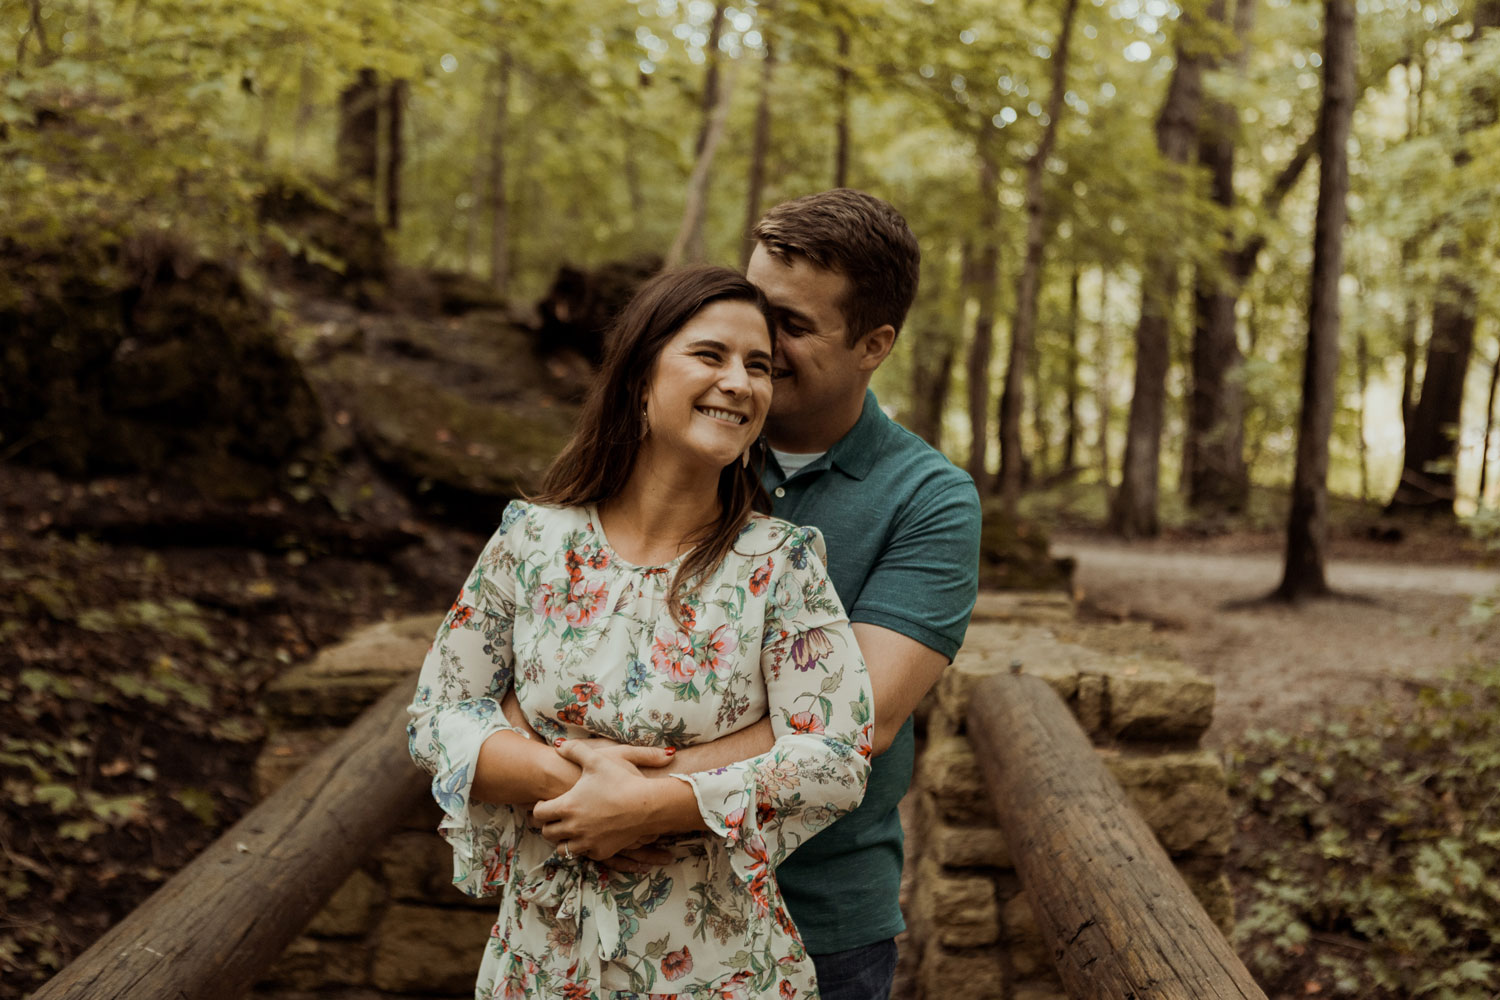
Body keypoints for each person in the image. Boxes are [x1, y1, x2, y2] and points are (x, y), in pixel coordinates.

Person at [505, 190, 983, 1000]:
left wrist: (646, 796)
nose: (757, 338)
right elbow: (525, 657)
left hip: (812, 917)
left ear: (874, 344)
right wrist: (576, 782)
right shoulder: (675, 444)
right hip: (604, 902)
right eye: (754, 304)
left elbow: (859, 720)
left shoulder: (928, 499)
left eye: (791, 325)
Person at [407, 264, 874, 1000]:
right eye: (710, 355)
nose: (740, 383)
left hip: (718, 970)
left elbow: (838, 756)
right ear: (639, 381)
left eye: (758, 366)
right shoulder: (533, 541)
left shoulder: (780, 565)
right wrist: (570, 786)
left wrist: (656, 806)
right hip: (540, 964)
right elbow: (437, 716)